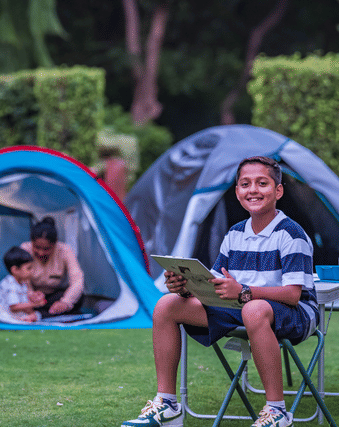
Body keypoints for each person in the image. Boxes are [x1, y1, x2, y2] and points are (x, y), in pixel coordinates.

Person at [122, 156, 318, 427]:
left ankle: (278, 412)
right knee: (167, 304)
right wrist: (186, 287)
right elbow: (216, 285)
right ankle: (168, 406)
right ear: (237, 191)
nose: (253, 190)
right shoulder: (235, 234)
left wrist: (244, 292)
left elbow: (294, 294)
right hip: (242, 308)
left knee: (253, 308)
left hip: (295, 313)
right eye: (245, 184)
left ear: (278, 191)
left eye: (262, 183)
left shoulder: (291, 234)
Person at [20, 217, 85, 317]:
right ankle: (46, 314)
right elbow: (20, 279)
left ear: (55, 244)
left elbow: (77, 280)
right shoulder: (25, 249)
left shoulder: (65, 250)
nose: (41, 253)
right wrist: (31, 294)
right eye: (37, 247)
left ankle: (40, 314)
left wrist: (65, 302)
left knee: (78, 298)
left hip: (54, 297)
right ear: (31, 242)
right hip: (31, 298)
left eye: (46, 249)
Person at [0, 246, 47, 322]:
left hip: (12, 312)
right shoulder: (10, 283)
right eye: (29, 268)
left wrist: (33, 308)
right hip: (0, 312)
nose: (32, 271)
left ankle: (25, 318)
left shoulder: (22, 283)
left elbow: (24, 305)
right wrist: (35, 304)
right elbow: (14, 307)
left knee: (37, 315)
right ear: (15, 270)